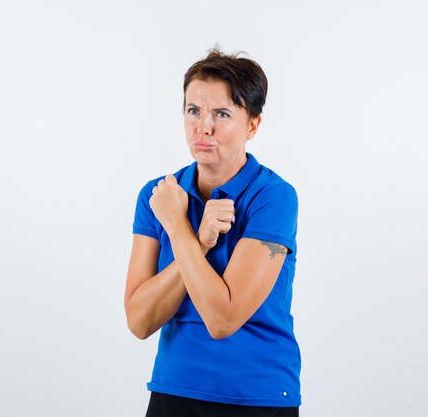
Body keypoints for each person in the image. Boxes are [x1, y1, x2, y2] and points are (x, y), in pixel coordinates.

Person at [124, 48, 301, 417]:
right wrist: (199, 240)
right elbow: (139, 321)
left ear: (252, 124)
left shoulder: (274, 197)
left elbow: (222, 320)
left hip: (256, 396)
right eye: (193, 111)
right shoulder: (159, 196)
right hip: (174, 389)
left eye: (222, 114)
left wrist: (177, 226)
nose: (203, 127)